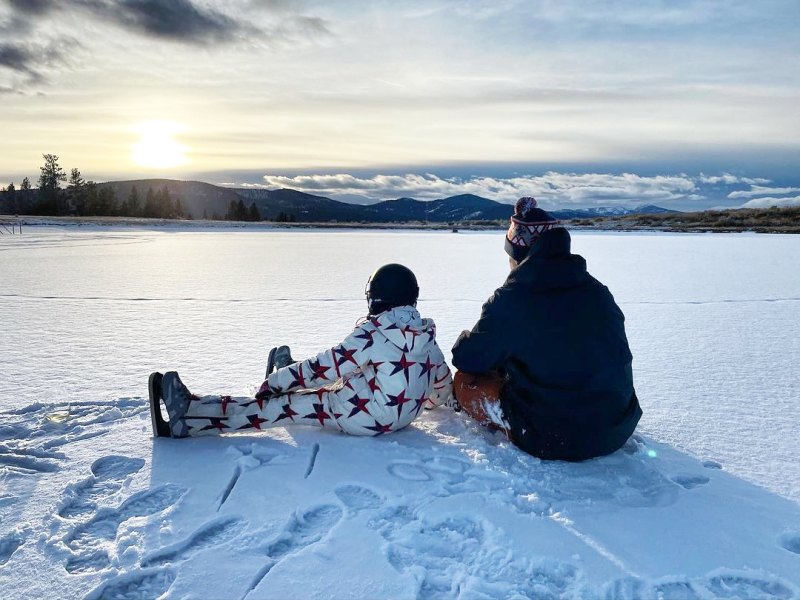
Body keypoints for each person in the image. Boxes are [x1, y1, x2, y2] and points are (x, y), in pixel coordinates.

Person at [149, 264, 453, 438]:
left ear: (376, 298)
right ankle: (286, 370)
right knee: (352, 375)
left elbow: (327, 365)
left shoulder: (374, 334)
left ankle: (188, 416)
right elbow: (439, 390)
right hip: (398, 416)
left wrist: (276, 383)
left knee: (282, 406)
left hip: (362, 415)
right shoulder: (426, 336)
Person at [451, 197, 642, 461]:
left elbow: (468, 358)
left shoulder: (514, 299)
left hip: (553, 438)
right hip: (619, 426)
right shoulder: (597, 290)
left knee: (465, 380)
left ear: (519, 255)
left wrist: (467, 338)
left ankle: (516, 420)